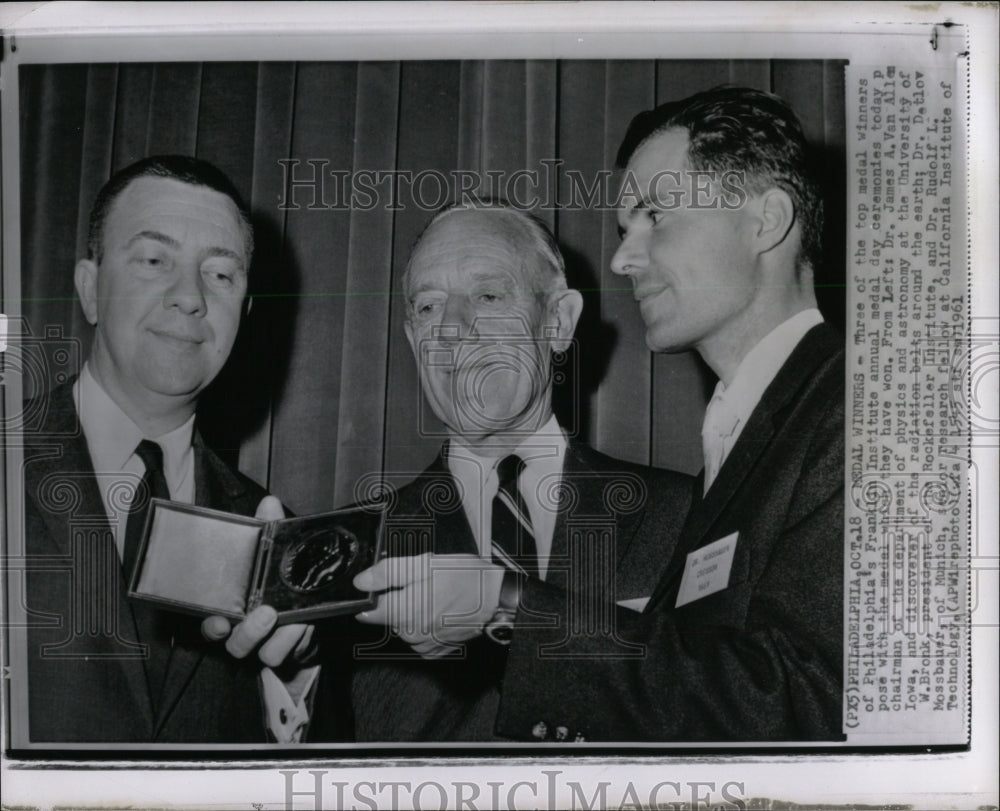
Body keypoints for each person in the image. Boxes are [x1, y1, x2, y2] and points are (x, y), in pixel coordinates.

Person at [489, 87, 845, 740]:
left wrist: (508, 604)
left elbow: (825, 708)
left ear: (766, 219)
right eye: (626, 231)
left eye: (656, 215)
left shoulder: (856, 409)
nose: (623, 258)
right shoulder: (743, 427)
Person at [336, 203, 694, 741]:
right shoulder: (351, 546)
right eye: (430, 306)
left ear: (557, 322)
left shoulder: (687, 513)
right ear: (414, 341)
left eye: (487, 296)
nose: (453, 329)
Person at [22, 156, 312, 743]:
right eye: (155, 261)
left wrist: (297, 666)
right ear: (90, 289)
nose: (190, 298)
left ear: (244, 316)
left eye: (221, 275)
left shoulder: (270, 531)